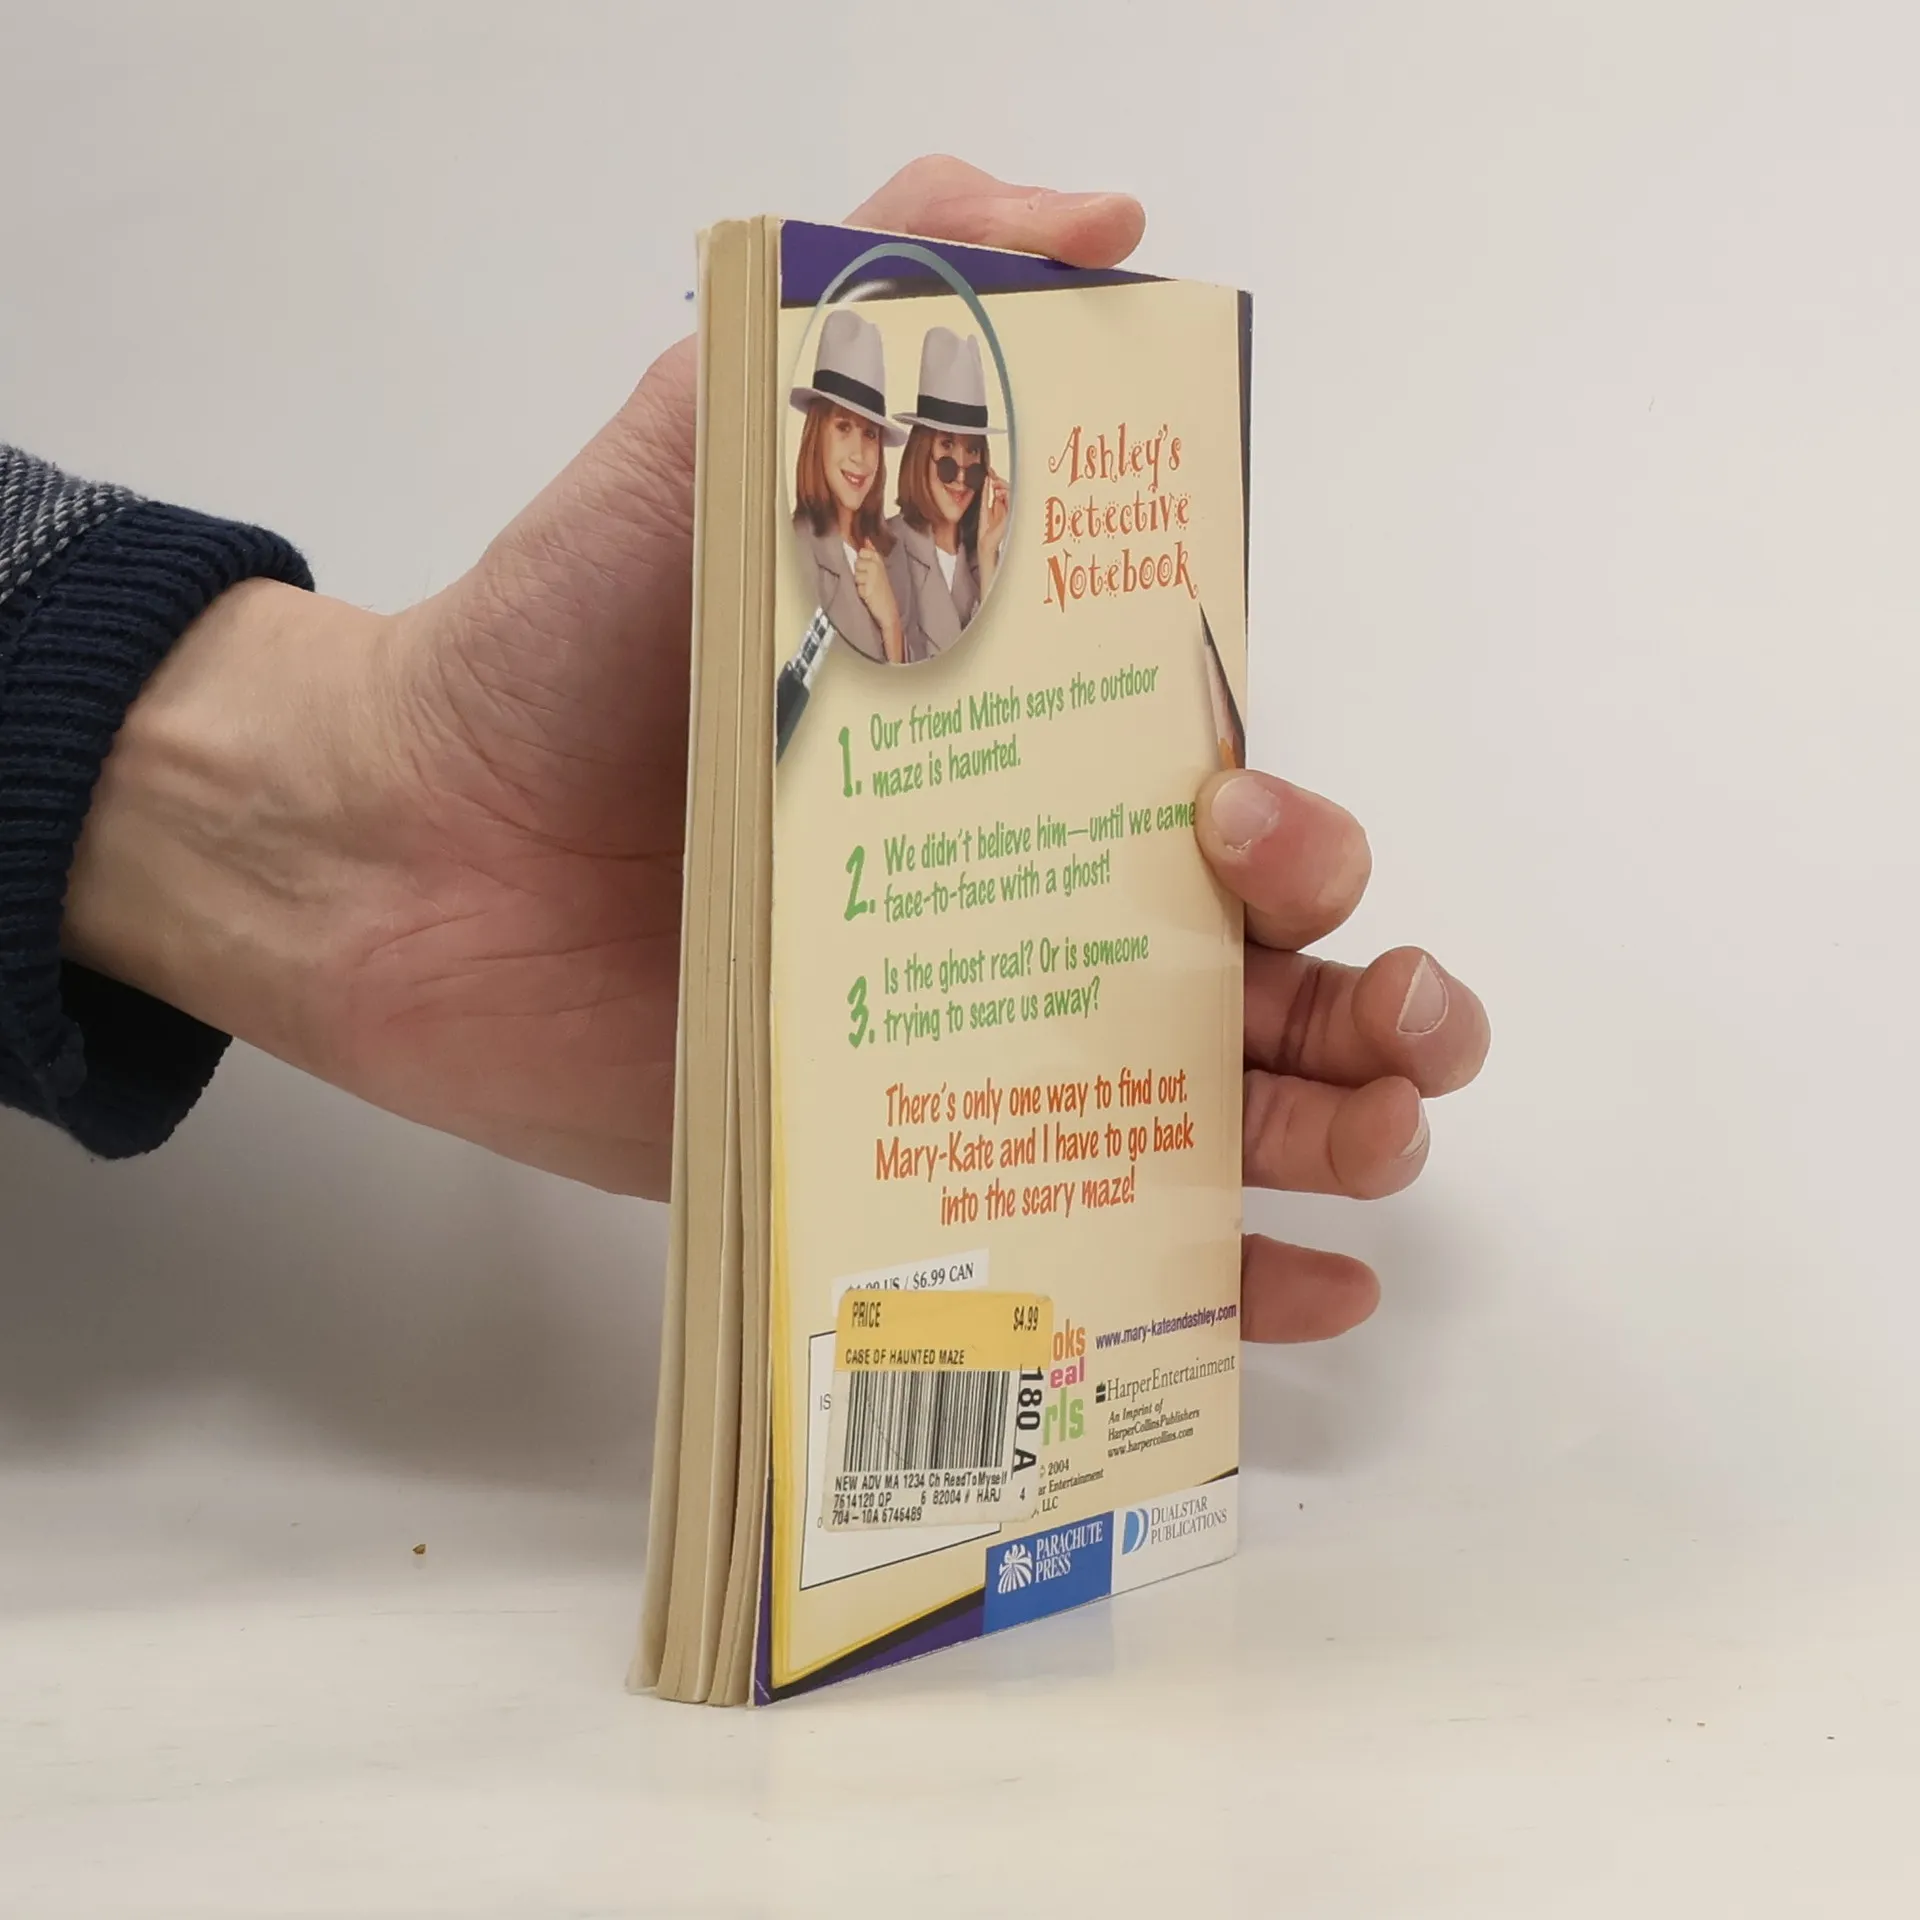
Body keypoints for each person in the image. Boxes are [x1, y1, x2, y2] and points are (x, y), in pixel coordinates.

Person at [0, 156, 1489, 1345]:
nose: (907, 470)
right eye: (889, 444)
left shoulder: (932, 596)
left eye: (945, 458)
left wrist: (377, 813)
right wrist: (374, 811)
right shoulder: (837, 578)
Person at [789, 308, 906, 663]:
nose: (859, 455)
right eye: (843, 427)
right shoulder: (794, 551)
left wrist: (892, 624)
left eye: (870, 434)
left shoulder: (894, 552)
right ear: (817, 435)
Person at [886, 326, 1010, 660]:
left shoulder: (989, 558)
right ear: (921, 452)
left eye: (973, 451)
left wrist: (988, 552)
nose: (961, 474)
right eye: (946, 446)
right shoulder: (885, 547)